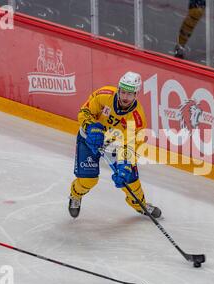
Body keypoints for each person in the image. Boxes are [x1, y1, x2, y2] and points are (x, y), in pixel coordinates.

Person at [68, 71, 161, 219]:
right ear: (118, 89)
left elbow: (131, 145)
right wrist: (91, 127)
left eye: (130, 94)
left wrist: (124, 166)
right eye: (123, 92)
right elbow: (84, 112)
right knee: (88, 180)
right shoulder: (103, 95)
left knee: (130, 180)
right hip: (88, 140)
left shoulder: (137, 118)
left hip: (114, 146)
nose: (125, 97)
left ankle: (140, 205)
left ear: (136, 94)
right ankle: (75, 195)